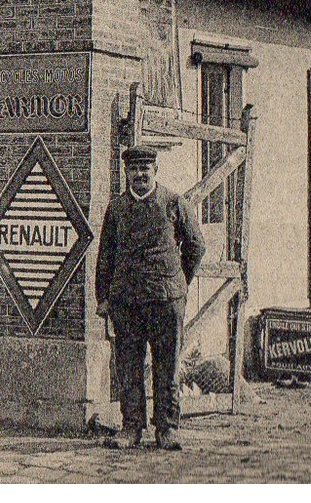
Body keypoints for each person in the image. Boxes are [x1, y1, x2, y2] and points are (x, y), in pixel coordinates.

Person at [94, 145, 205, 451]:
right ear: (126, 173)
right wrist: (103, 297)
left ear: (156, 170)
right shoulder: (116, 209)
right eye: (134, 169)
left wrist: (177, 281)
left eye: (146, 168)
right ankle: (131, 428)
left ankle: (167, 428)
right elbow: (105, 256)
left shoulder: (174, 203)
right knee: (128, 367)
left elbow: (196, 246)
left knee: (166, 366)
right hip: (127, 302)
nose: (140, 175)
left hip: (165, 301)